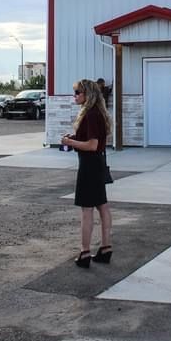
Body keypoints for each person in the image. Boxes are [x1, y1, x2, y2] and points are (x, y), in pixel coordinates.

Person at [61, 79, 113, 268]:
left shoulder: (90, 115)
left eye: (77, 92)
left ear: (87, 95)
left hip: (89, 165)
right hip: (97, 163)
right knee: (102, 205)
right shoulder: (97, 113)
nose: (74, 95)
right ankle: (106, 247)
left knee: (87, 210)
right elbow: (94, 141)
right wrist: (74, 138)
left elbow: (92, 145)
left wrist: (70, 143)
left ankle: (85, 251)